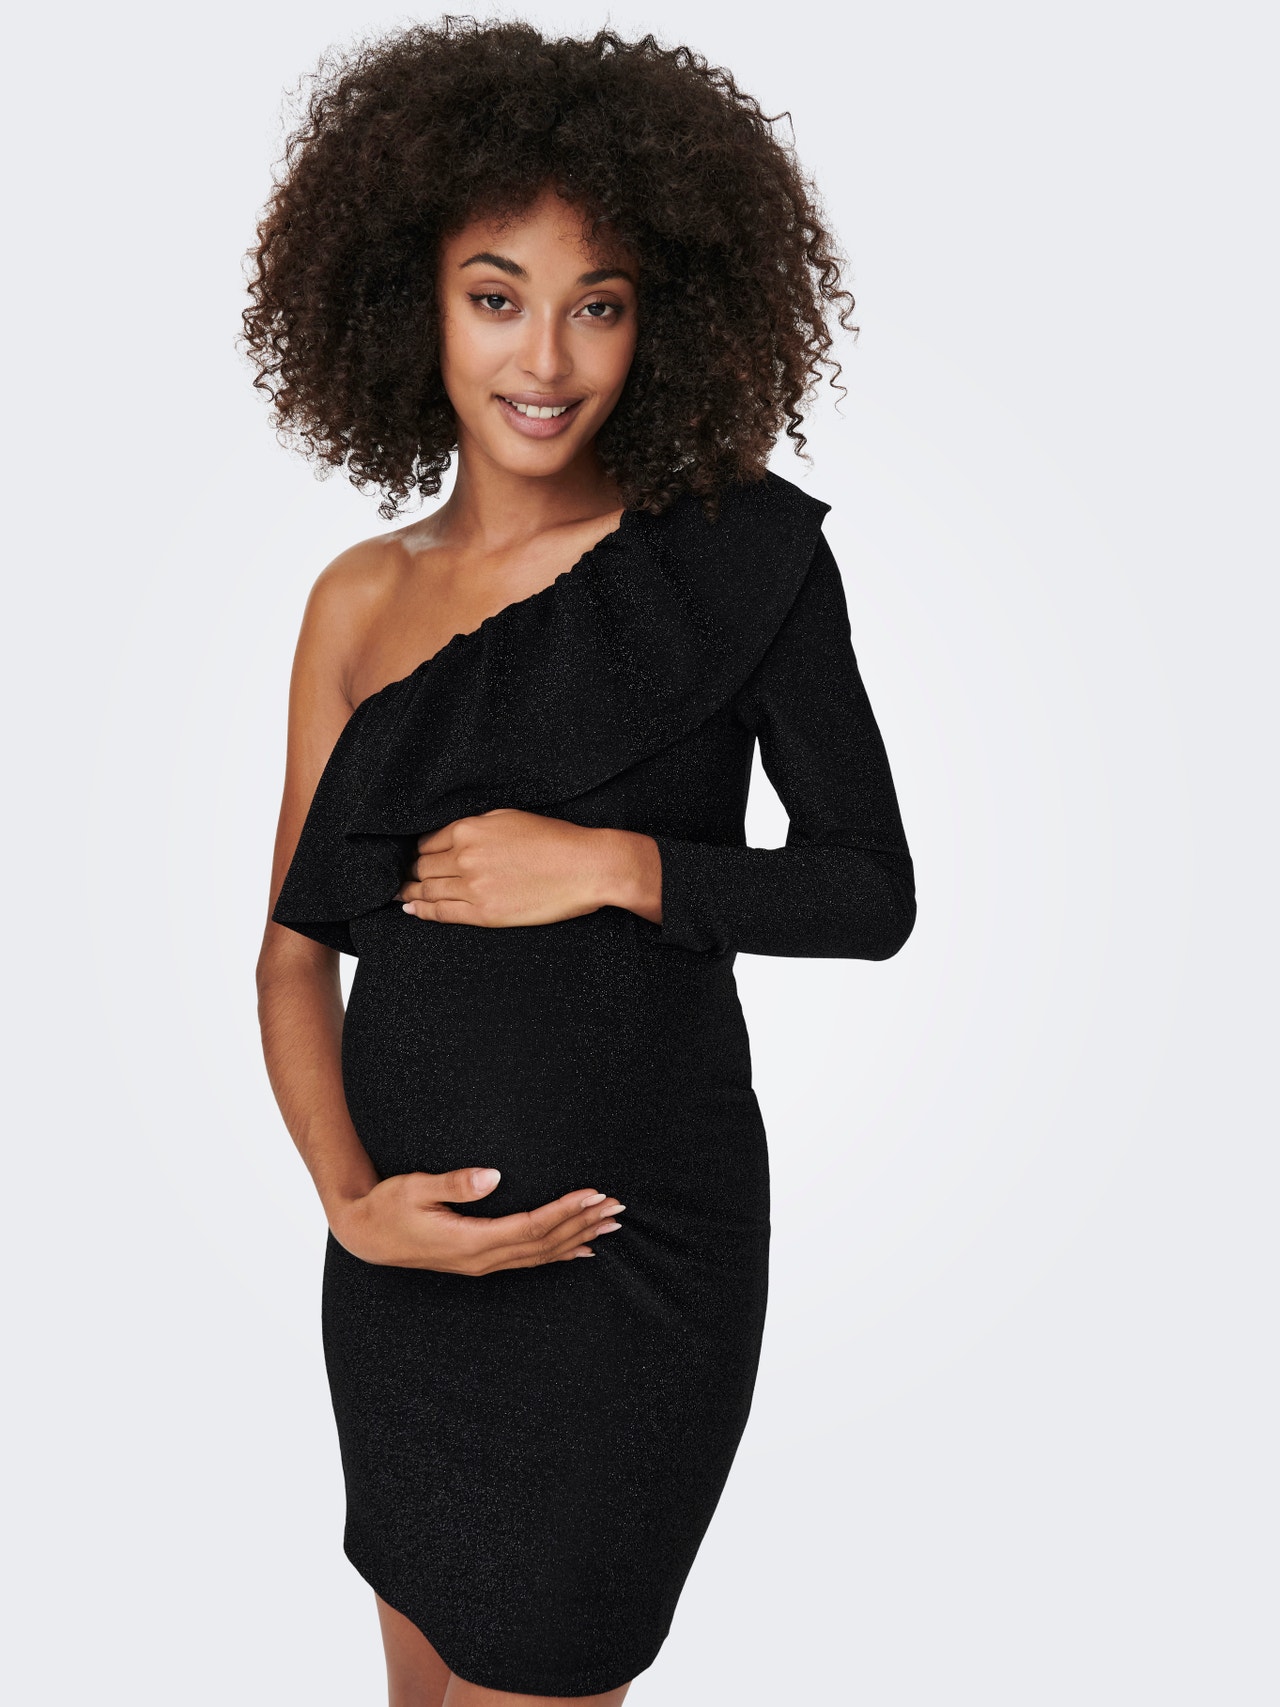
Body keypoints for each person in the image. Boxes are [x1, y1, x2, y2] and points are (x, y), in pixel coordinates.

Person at [245, 19, 916, 1706]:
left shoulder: (737, 561)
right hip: (402, 1280)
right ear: (413, 302)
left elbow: (866, 889)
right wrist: (353, 1209)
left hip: (630, 1277)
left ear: (660, 317)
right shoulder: (359, 600)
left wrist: (617, 865)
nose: (544, 357)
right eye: (497, 296)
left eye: (597, 304)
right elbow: (289, 953)